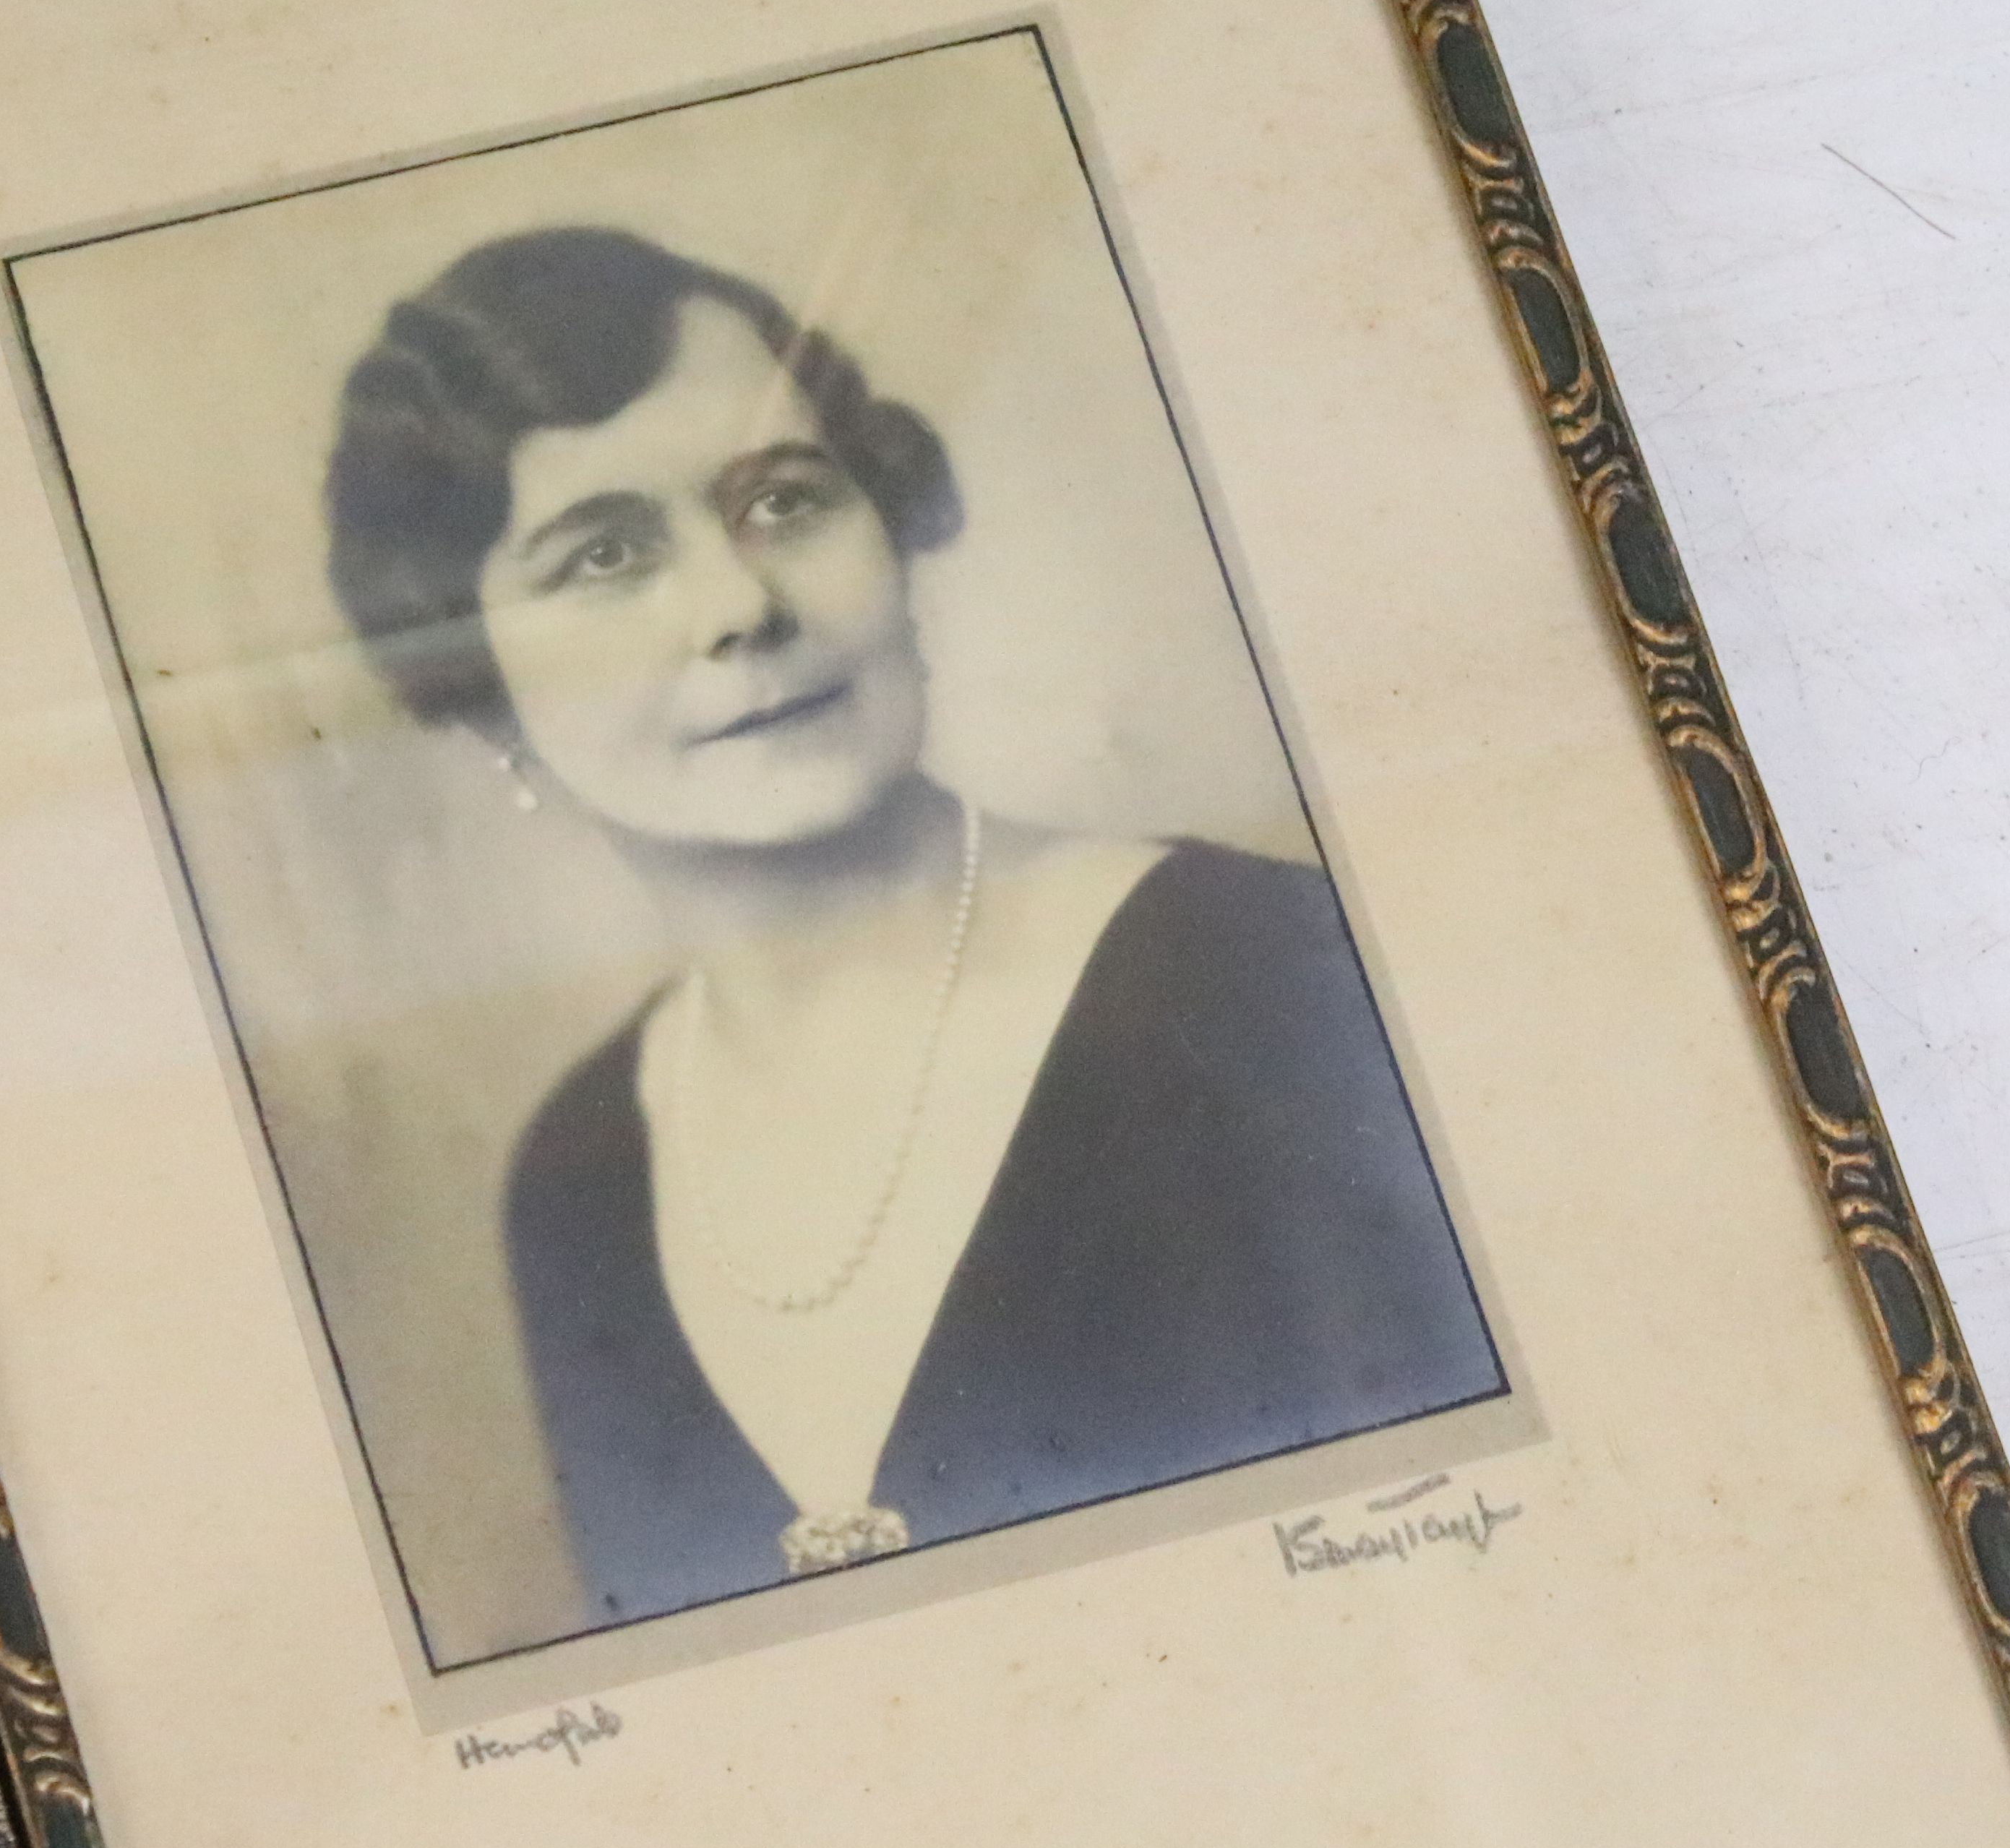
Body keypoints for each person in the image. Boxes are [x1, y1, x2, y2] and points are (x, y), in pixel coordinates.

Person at [325, 226, 1506, 1628]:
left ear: (887, 524)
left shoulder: (1270, 980)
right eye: (604, 556)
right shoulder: (575, 1182)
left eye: (785, 501)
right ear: (483, 690)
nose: (738, 604)